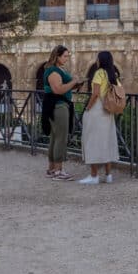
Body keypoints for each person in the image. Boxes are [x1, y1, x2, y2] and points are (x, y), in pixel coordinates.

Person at [79, 51, 121, 185]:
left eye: (97, 58)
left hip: (97, 109)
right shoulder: (113, 75)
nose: (96, 60)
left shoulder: (99, 73)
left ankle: (94, 175)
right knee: (106, 140)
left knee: (92, 140)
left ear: (100, 60)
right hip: (108, 110)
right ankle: (108, 175)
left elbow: (95, 93)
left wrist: (87, 108)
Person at [41, 45, 82, 181]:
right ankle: (58, 171)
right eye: (64, 56)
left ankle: (52, 169)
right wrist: (74, 81)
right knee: (61, 138)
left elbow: (63, 87)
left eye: (67, 56)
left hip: (58, 105)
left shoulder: (57, 70)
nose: (66, 58)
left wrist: (75, 84)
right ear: (57, 56)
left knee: (55, 137)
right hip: (58, 106)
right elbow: (58, 89)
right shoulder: (53, 71)